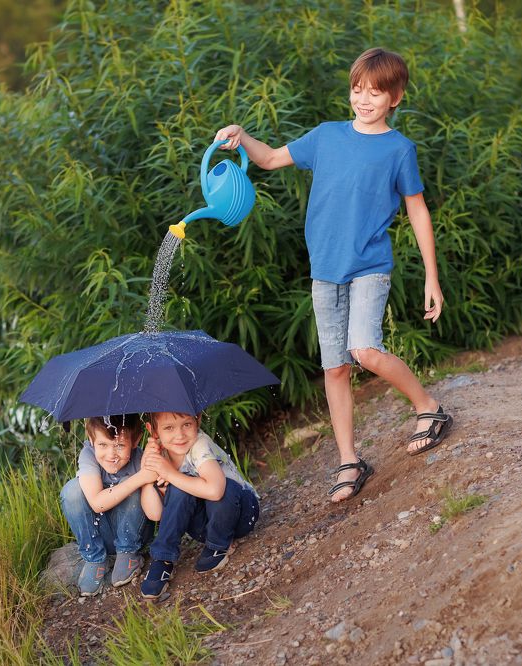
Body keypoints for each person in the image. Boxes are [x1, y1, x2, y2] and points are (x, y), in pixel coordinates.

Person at [214, 47, 454, 503]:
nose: (364, 100)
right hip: (324, 271)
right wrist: (243, 136)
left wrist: (431, 277)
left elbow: (418, 211)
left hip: (369, 266)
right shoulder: (325, 137)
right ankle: (350, 460)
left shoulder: (399, 150)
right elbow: (268, 160)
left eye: (376, 93)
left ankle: (429, 408)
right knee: (335, 367)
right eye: (357, 90)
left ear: (396, 98)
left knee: (364, 350)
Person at [139, 411, 259, 600]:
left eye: (186, 424)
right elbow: (154, 513)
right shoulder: (159, 455)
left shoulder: (199, 445)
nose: (179, 435)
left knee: (217, 487)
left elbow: (216, 491)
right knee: (179, 488)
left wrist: (170, 474)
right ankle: (163, 558)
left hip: (241, 512)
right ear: (152, 430)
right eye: (169, 428)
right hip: (204, 527)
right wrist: (147, 470)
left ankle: (219, 545)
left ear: (198, 420)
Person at [59, 414, 161, 596]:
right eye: (103, 445)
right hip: (103, 533)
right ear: (91, 440)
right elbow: (97, 504)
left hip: (135, 533)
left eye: (120, 445)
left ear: (136, 440)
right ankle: (95, 558)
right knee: (72, 490)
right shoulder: (89, 455)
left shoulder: (141, 458)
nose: (111, 454)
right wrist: (140, 477)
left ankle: (129, 554)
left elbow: (156, 514)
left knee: (133, 487)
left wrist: (148, 470)